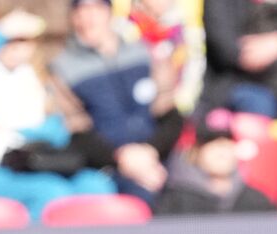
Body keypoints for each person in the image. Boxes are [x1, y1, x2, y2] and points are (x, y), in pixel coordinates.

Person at [0, 10, 116, 221]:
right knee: (49, 193)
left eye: (25, 41)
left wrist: (12, 128)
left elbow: (57, 131)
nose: (16, 48)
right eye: (10, 40)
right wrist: (0, 31)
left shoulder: (33, 77)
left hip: (29, 163)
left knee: (95, 185)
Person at [50, 0, 184, 203]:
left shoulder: (144, 52)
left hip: (158, 155)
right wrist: (122, 159)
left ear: (109, 12)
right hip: (108, 165)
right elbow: (76, 129)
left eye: (96, 8)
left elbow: (170, 113)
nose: (89, 16)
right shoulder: (63, 68)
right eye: (82, 10)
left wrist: (150, 151)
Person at [155, 108, 277, 215]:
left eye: (227, 142)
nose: (221, 149)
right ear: (196, 151)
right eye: (211, 142)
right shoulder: (176, 200)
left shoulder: (256, 200)